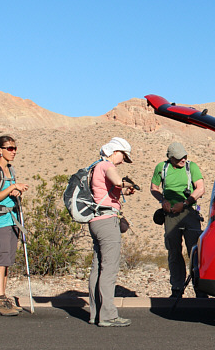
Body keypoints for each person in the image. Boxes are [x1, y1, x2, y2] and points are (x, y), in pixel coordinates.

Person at [87, 137, 138, 327]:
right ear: (115, 151)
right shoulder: (106, 165)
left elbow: (106, 190)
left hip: (95, 220)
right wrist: (125, 184)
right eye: (123, 156)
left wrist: (123, 192)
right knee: (109, 270)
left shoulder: (95, 167)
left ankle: (95, 312)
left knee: (97, 268)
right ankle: (108, 315)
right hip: (108, 222)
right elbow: (116, 180)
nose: (123, 160)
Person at [151, 142, 205, 298]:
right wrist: (162, 200)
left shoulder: (191, 167)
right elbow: (154, 188)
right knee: (174, 252)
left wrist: (186, 203)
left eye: (184, 156)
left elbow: (200, 188)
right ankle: (176, 288)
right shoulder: (162, 168)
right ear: (170, 158)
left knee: (194, 252)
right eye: (179, 158)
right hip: (170, 215)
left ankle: (200, 289)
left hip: (189, 213)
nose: (183, 160)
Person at [0, 135, 30, 316]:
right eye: (9, 148)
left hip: (12, 219)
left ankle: (4, 299)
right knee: (2, 260)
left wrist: (16, 191)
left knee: (7, 262)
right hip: (0, 220)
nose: (13, 152)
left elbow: (5, 193)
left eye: (15, 148)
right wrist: (12, 188)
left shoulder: (10, 170)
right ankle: (0, 301)